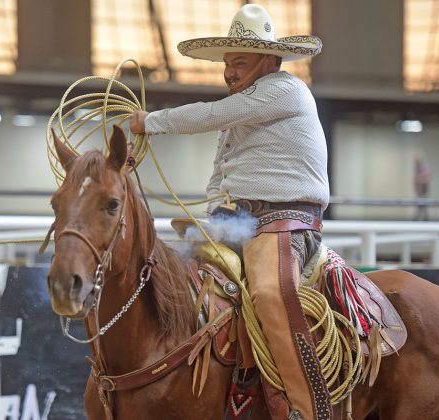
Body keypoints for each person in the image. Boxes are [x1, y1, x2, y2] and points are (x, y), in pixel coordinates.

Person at [129, 4, 332, 420]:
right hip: (238, 224)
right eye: (227, 62)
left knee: (269, 293)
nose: (229, 72)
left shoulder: (283, 90)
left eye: (239, 62)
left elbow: (210, 113)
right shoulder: (244, 110)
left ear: (270, 61)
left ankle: (304, 406)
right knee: (171, 278)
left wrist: (151, 122)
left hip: (283, 223)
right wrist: (212, 212)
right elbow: (220, 174)